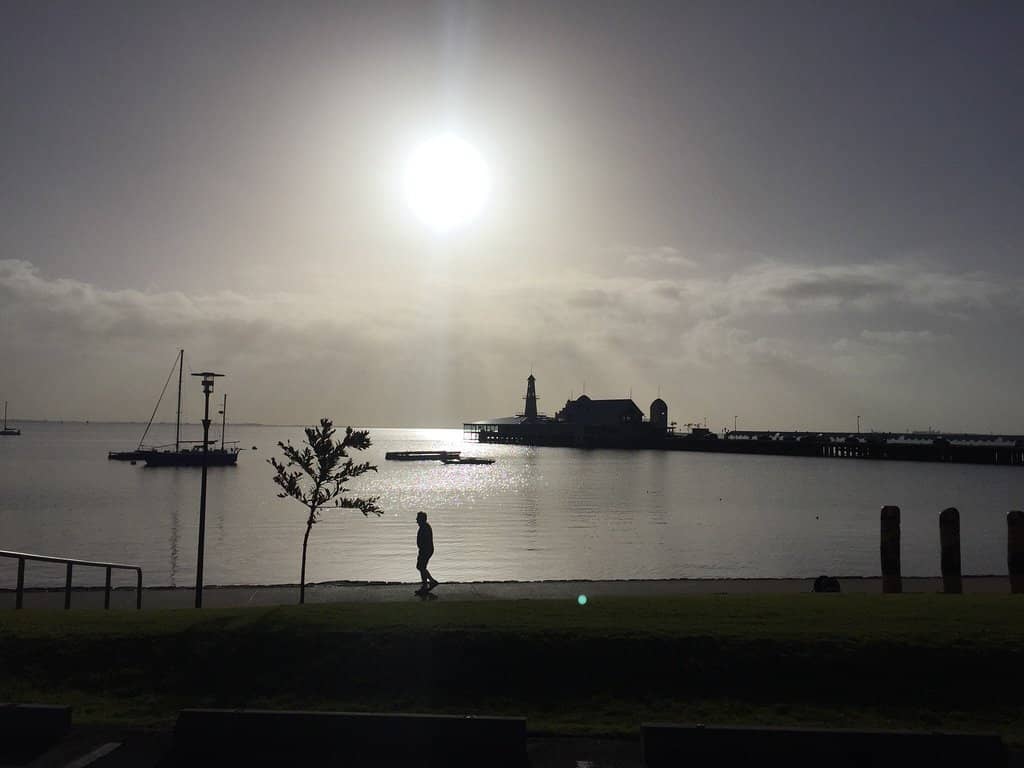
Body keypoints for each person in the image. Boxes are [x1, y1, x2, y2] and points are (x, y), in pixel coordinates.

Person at [415, 511, 439, 594]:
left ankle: (427, 584)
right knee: (421, 567)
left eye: (418, 518)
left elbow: (425, 540)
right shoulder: (424, 526)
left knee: (421, 567)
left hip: (425, 550)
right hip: (425, 550)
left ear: (421, 519)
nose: (416, 520)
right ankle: (429, 583)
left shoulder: (425, 527)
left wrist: (422, 550)